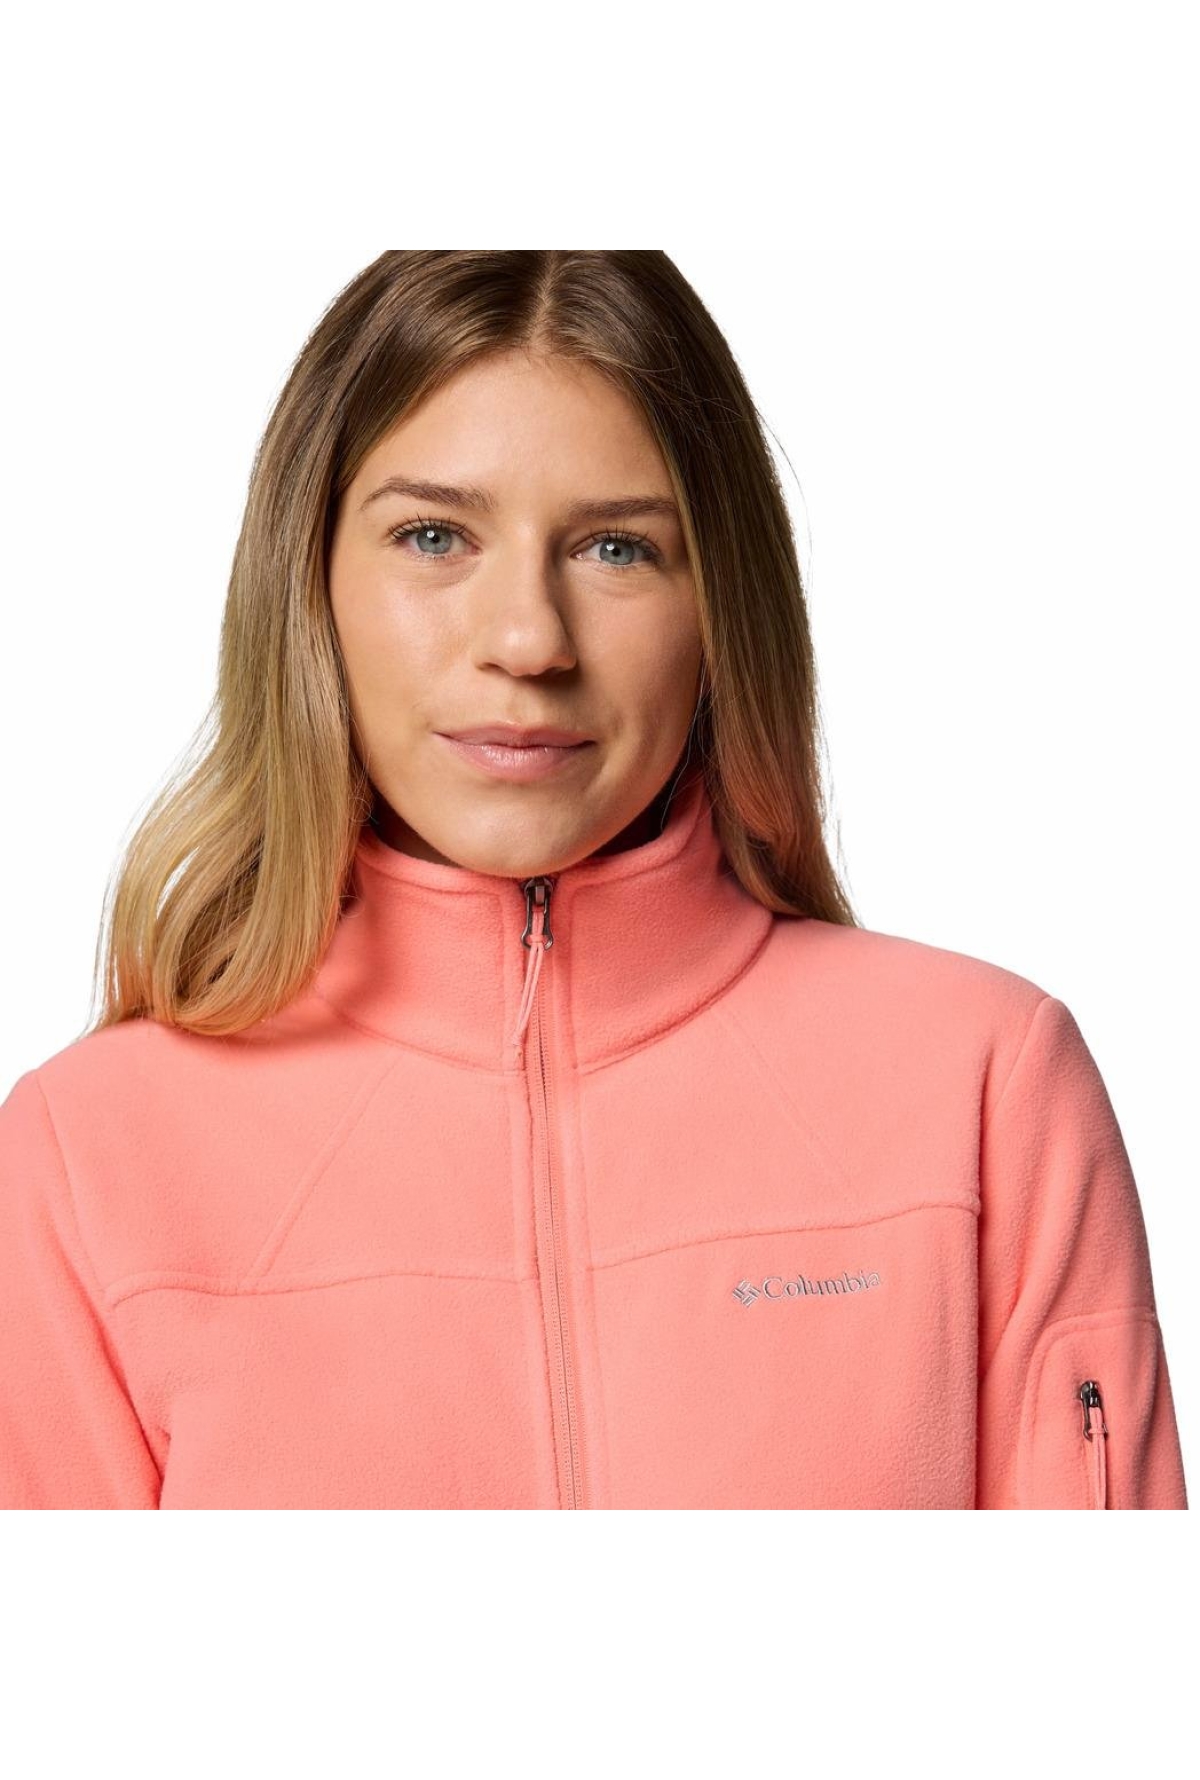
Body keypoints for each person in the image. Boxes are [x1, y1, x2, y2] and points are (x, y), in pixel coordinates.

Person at [0, 249, 1186, 1510]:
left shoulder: (984, 1083)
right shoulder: (87, 1157)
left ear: (720, 605)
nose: (528, 640)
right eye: (433, 536)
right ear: (309, 583)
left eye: (618, 548)